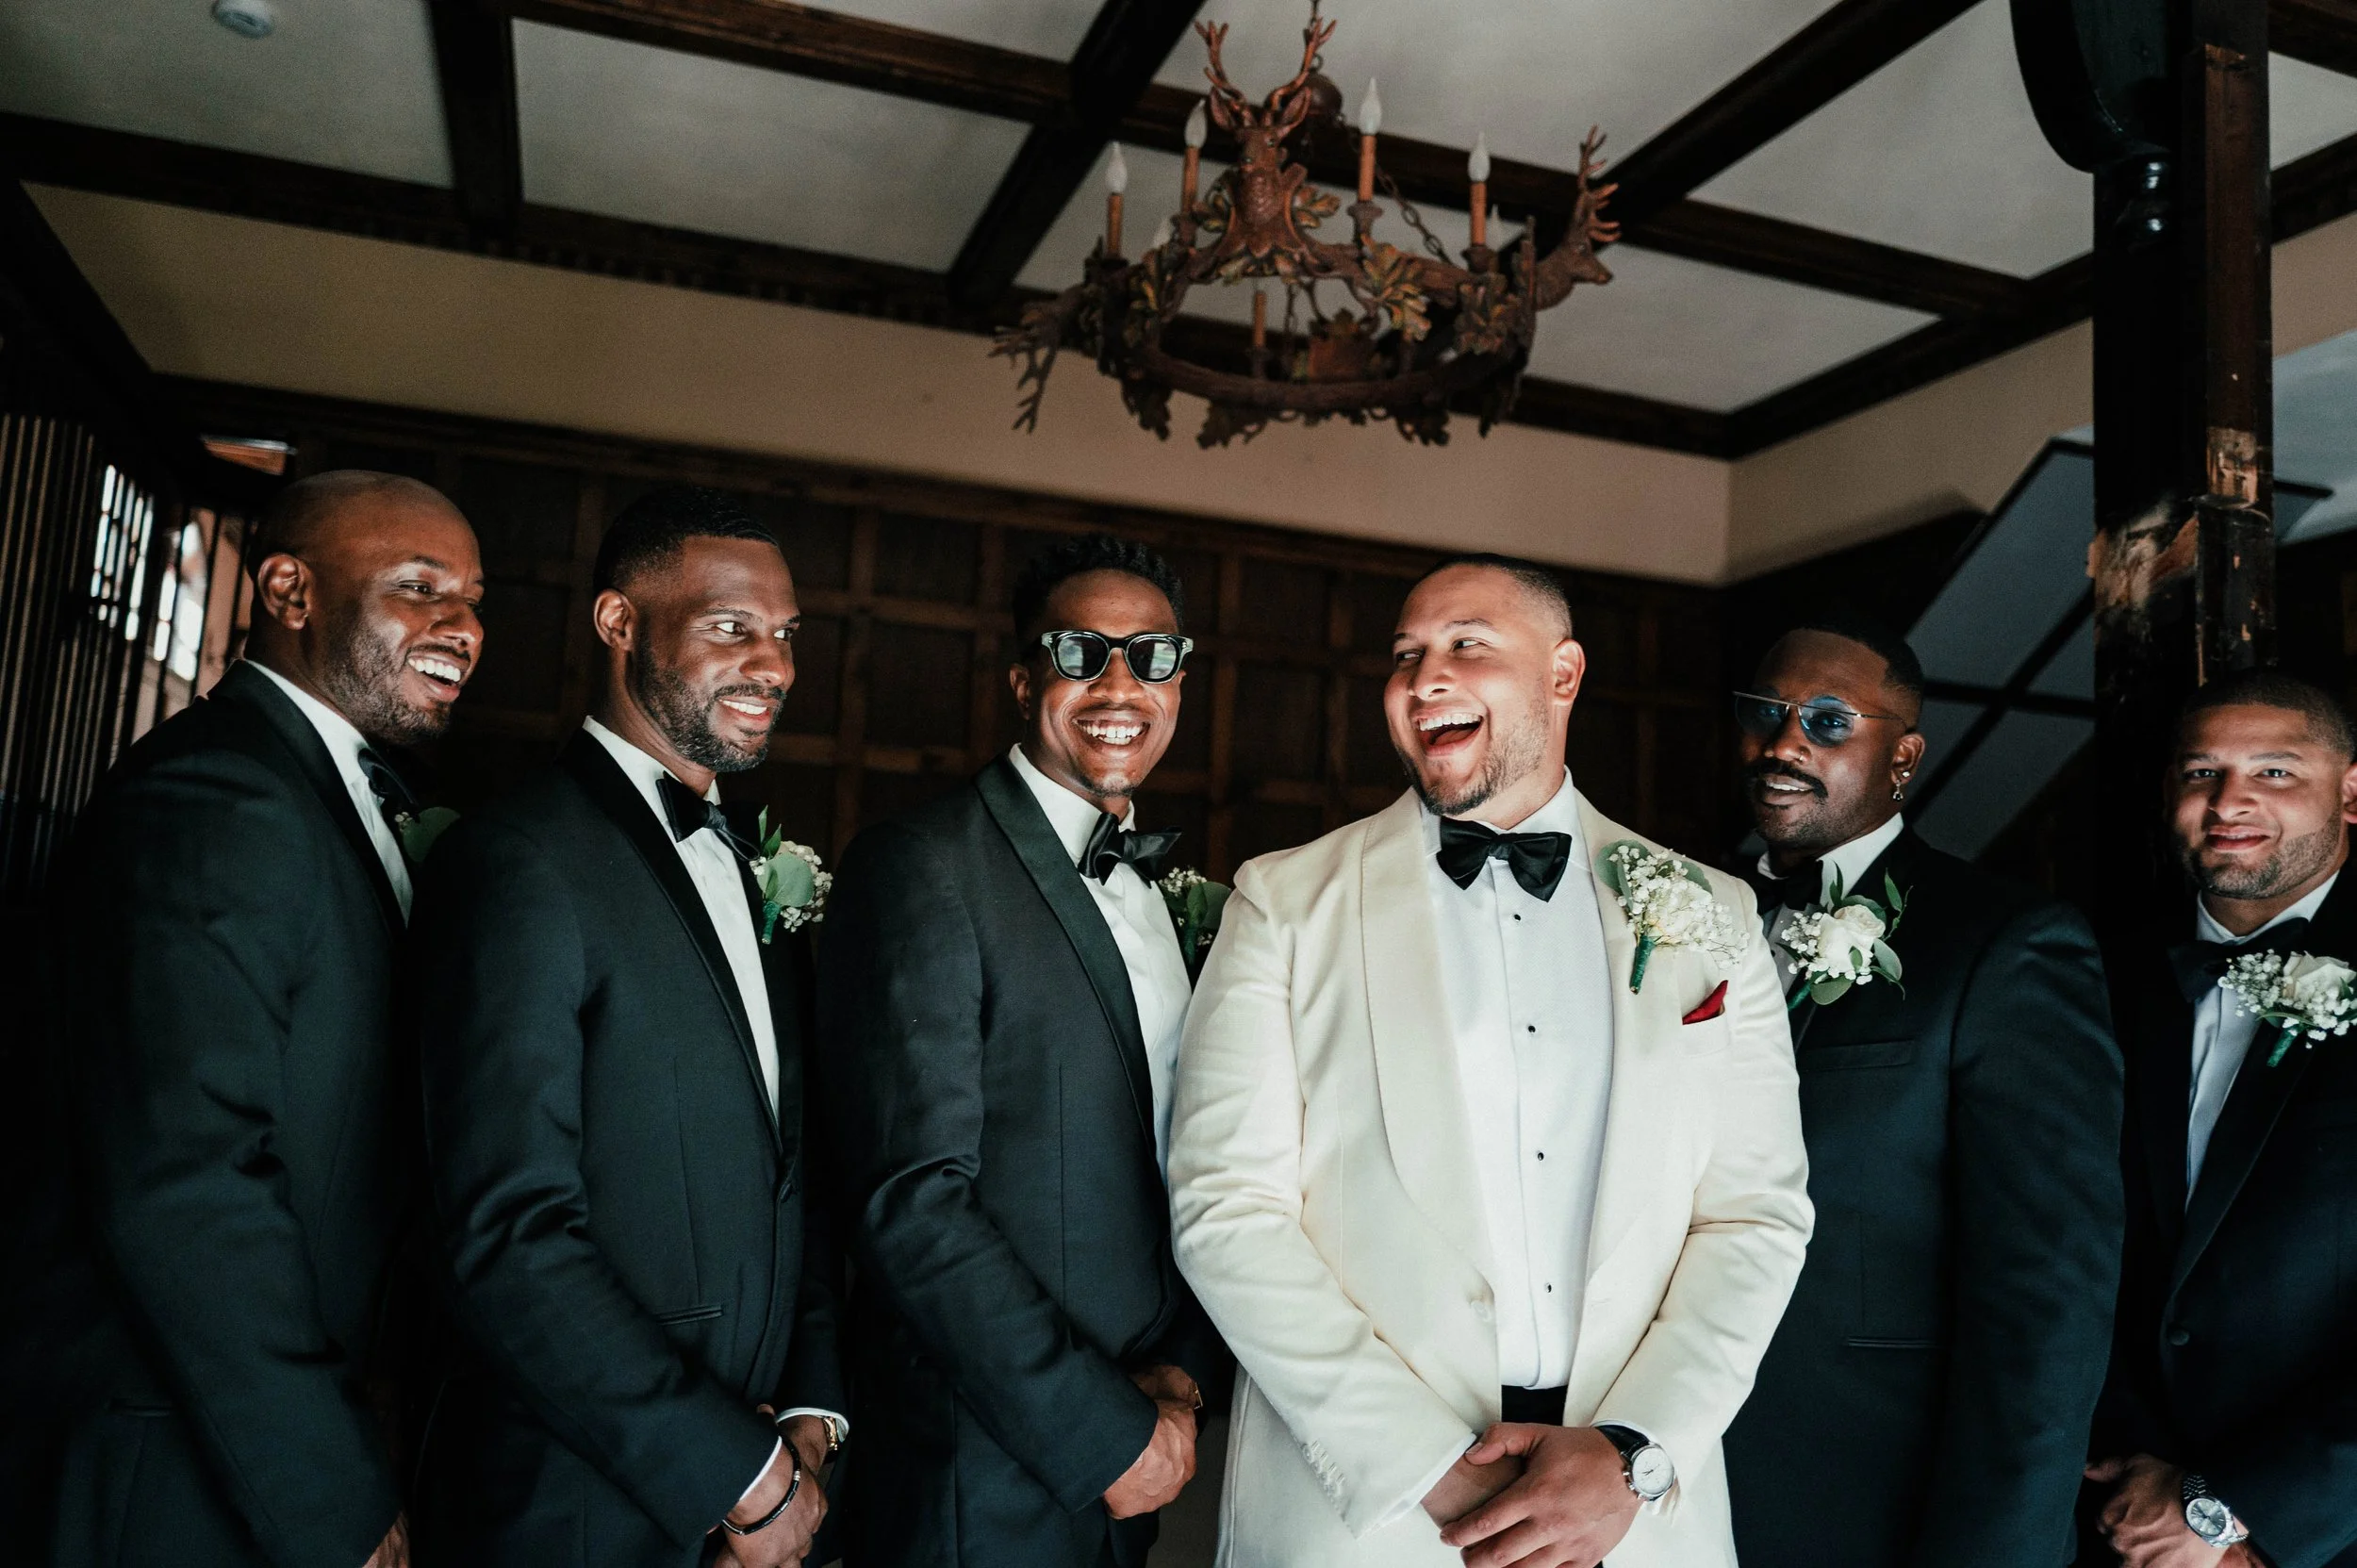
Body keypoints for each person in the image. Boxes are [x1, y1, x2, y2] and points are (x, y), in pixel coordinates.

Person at [1169, 553, 1812, 1568]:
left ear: (1563, 675)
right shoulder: (1284, 903)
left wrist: (1633, 1451)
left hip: (1635, 1525)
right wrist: (1427, 1464)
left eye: (1466, 644)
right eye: (1405, 656)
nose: (1425, 678)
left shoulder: (1713, 916)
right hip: (1364, 1518)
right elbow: (1225, 1209)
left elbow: (1755, 1213)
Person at [7, 471, 483, 1568]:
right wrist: (330, 1492)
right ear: (289, 589)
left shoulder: (325, 796)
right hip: (175, 1456)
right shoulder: (219, 796)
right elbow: (186, 1178)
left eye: (473, 596)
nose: (463, 625)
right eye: (421, 586)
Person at [411, 487, 842, 1568]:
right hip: (572, 1503)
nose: (775, 666)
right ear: (618, 623)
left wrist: (809, 1414)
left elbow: (795, 1166)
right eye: (732, 628)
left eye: (785, 635)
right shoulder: (519, 862)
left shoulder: (754, 872)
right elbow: (506, 1236)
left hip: (762, 1480)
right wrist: (733, 1476)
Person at [816, 534, 1224, 1568]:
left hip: (1138, 1447)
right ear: (1020, 677)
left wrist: (1179, 1377)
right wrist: (1102, 1432)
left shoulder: (1172, 900)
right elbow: (910, 1201)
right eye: (1080, 652)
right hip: (977, 1469)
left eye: (1154, 657)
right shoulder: (925, 867)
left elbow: (1189, 1156)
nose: (1119, 684)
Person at [1717, 620, 2121, 1568]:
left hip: (1871, 1499)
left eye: (1825, 720)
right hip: (1652, 1479)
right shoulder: (1677, 914)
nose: (1783, 743)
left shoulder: (2005, 942)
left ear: (1901, 756)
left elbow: (2047, 1293)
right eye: (1764, 714)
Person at [2086, 669, 2357, 1568]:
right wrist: (2139, 1482)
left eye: (2276, 772)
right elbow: (2062, 1238)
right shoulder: (2096, 977)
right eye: (2202, 772)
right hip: (2113, 1512)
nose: (2231, 801)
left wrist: (2231, 1512)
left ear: (2350, 790)